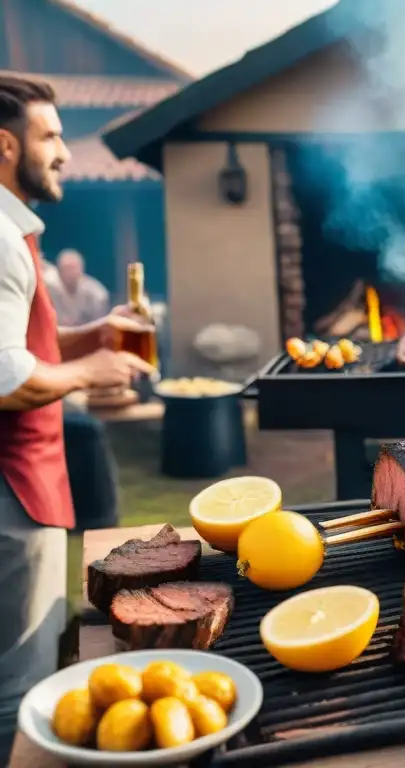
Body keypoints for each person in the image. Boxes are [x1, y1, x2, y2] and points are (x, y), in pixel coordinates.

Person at [0, 75, 155, 762]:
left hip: (25, 485)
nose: (64, 151)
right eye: (51, 135)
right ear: (6, 145)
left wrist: (95, 335)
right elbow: (6, 379)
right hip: (10, 490)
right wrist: (92, 375)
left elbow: (24, 349)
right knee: (19, 683)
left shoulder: (14, 233)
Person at [48, 248, 109, 327]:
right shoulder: (49, 291)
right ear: (59, 270)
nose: (70, 273)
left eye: (73, 268)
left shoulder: (96, 294)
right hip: (57, 334)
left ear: (81, 268)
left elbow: (101, 325)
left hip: (88, 334)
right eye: (66, 268)